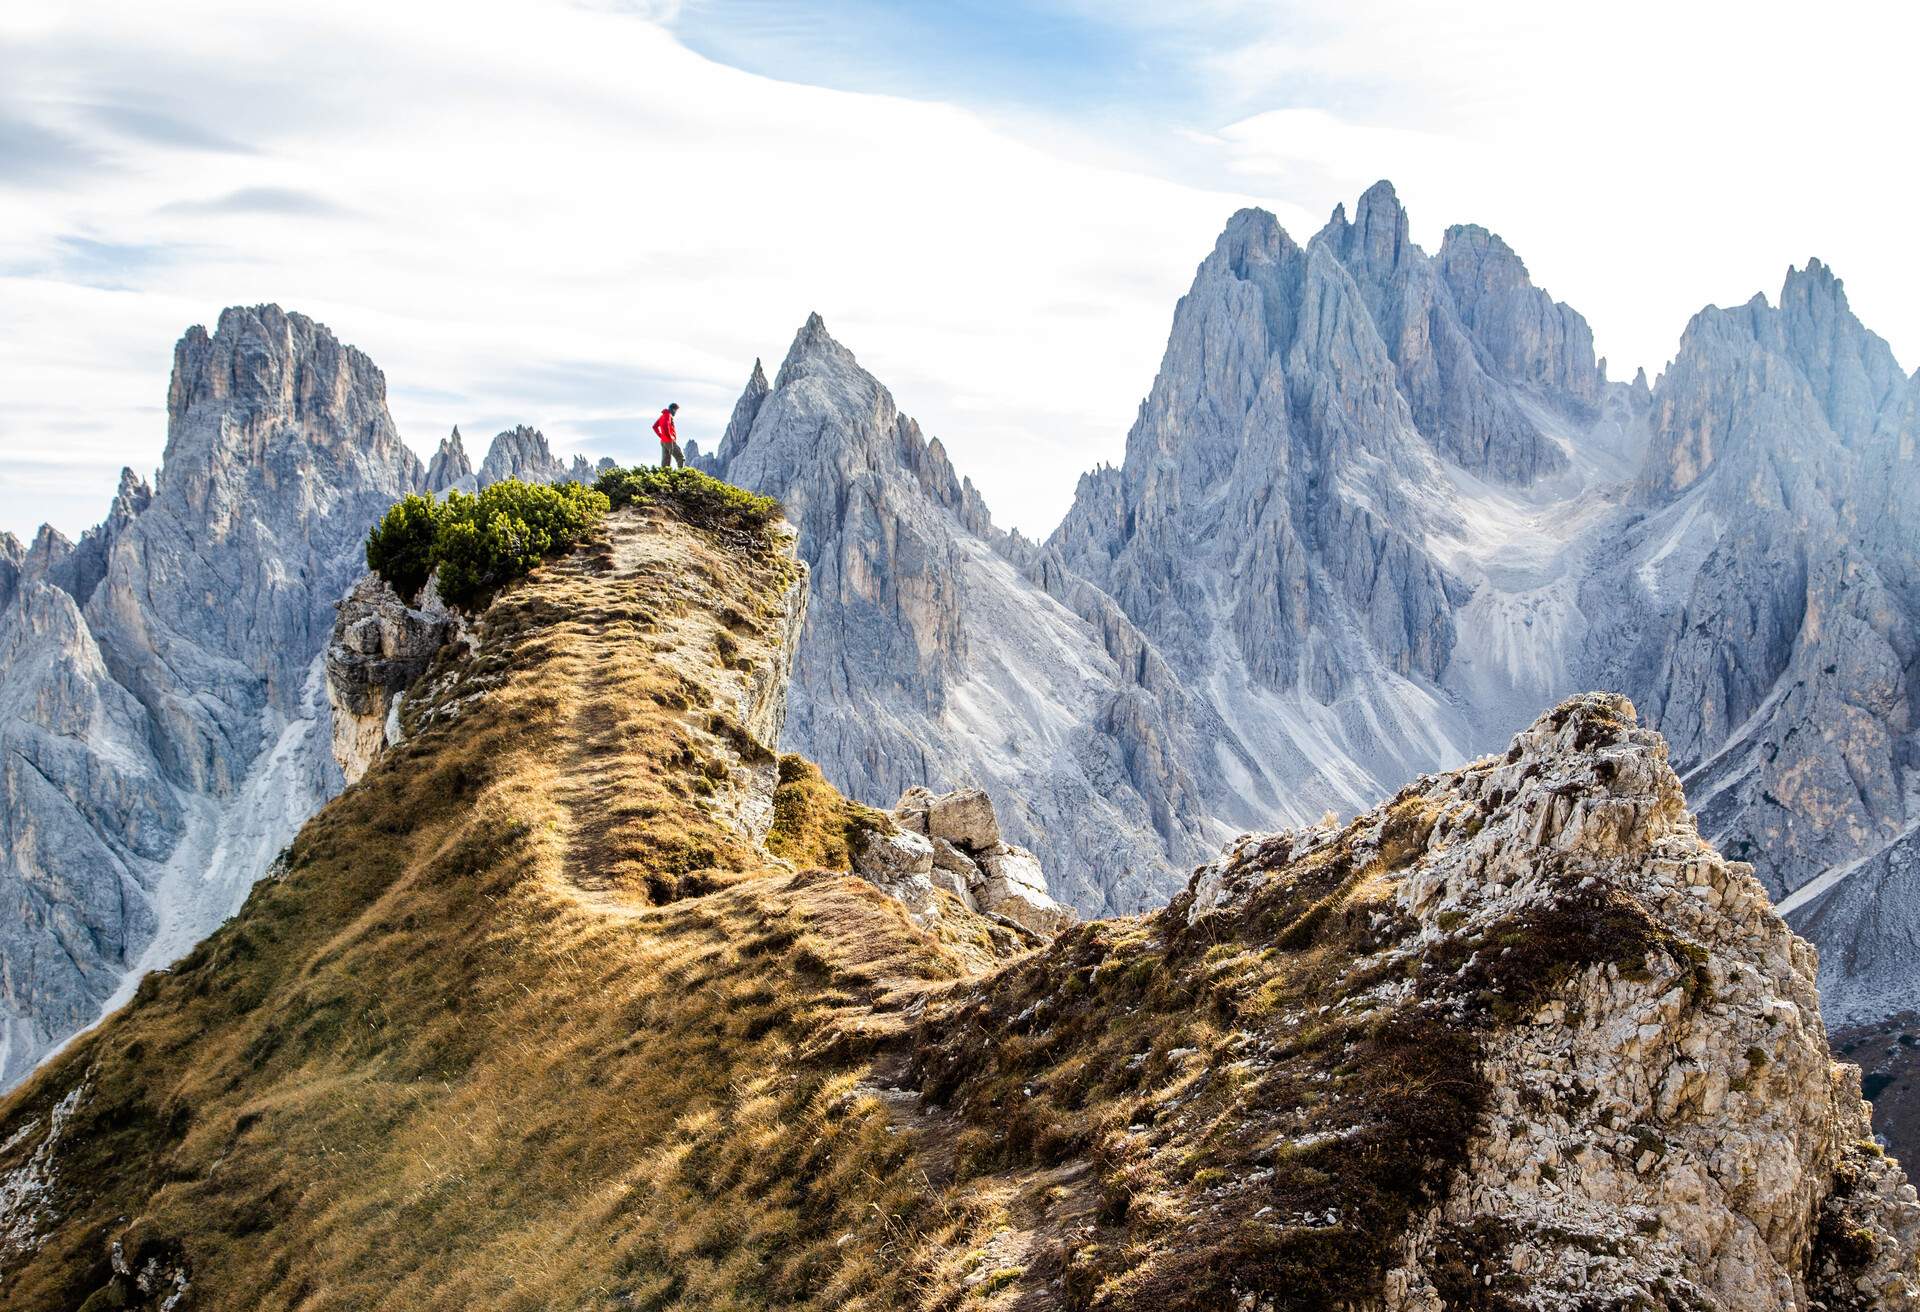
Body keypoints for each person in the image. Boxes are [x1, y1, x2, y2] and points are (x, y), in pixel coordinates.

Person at [654, 402, 686, 468]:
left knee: (665, 463)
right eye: (675, 410)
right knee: (680, 457)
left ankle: (664, 476)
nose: (675, 412)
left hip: (663, 441)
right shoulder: (668, 415)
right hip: (669, 441)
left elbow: (654, 426)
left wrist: (661, 436)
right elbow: (665, 426)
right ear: (672, 409)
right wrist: (670, 438)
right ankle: (681, 475)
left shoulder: (662, 416)